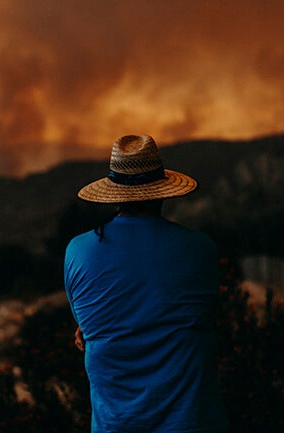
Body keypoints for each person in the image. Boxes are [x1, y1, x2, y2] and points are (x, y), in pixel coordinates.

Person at [64, 135, 229, 433]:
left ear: (113, 194)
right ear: (162, 192)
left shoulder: (78, 251)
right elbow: (203, 314)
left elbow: (87, 327)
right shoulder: (200, 248)